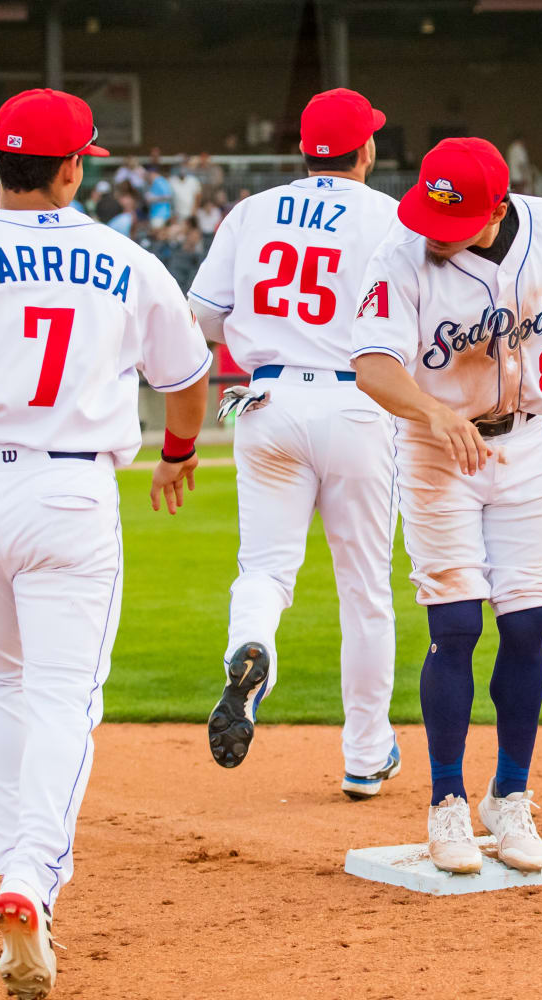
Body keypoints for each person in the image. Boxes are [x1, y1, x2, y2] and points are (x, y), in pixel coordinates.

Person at [0, 88, 212, 1000]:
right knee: (64, 693)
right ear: (75, 166)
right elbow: (185, 383)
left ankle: (12, 859)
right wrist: (177, 455)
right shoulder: (125, 258)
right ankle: (28, 876)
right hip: (70, 489)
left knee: (0, 682)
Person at [351, 137, 542, 875]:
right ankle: (446, 803)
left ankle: (510, 795)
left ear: (497, 209)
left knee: (528, 622)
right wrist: (433, 416)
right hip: (439, 453)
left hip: (526, 445)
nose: (437, 231)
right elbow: (373, 365)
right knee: (456, 624)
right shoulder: (400, 256)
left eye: (456, 218)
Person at [185, 88, 401, 798]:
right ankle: (367, 757)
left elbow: (205, 316)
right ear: (364, 150)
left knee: (266, 571)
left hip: (268, 396)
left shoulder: (252, 211)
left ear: (305, 149)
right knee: (364, 590)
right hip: (358, 399)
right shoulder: (389, 216)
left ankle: (252, 651)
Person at [169, 158, 201, 225]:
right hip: (177, 214)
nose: (181, 169)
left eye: (184, 165)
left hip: (191, 214)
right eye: (179, 166)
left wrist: (194, 211)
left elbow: (198, 196)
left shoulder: (193, 180)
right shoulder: (171, 181)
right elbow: (169, 199)